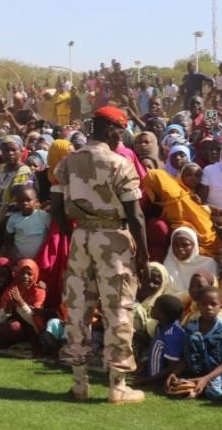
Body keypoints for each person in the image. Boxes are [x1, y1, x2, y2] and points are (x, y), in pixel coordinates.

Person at [51, 106, 149, 403]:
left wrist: (75, 237)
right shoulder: (120, 164)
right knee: (118, 308)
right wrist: (143, 256)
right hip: (113, 239)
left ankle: (80, 383)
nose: (122, 135)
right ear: (110, 129)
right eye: (120, 130)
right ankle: (117, 386)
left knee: (78, 308)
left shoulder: (67, 163)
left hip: (81, 236)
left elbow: (56, 209)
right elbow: (135, 215)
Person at [166, 286, 222, 403]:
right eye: (204, 304)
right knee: (179, 385)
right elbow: (185, 357)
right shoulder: (190, 327)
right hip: (199, 370)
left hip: (221, 370)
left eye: (213, 304)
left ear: (220, 306)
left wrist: (205, 379)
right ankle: (199, 387)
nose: (208, 307)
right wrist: (174, 373)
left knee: (214, 389)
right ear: (198, 305)